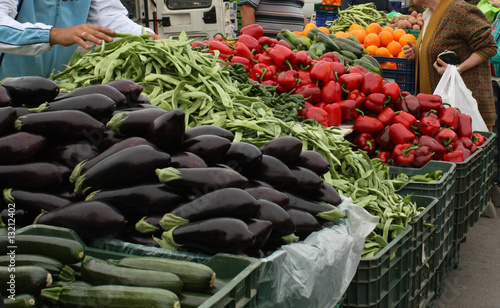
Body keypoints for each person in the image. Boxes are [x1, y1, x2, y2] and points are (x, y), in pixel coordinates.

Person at [0, 0, 161, 79]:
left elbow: (107, 16)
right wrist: (52, 35)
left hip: (48, 89)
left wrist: (145, 37)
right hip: (4, 91)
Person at [403, 0, 497, 131]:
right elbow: (438, 47)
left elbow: (489, 46)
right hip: (441, 111)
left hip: (464, 109)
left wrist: (458, 69)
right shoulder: (429, 14)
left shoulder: (459, 10)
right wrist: (419, 52)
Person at [240, 0, 309, 38]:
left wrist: (312, 29)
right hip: (267, 49)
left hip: (293, 49)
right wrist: (252, 42)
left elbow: (297, 11)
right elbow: (246, 9)